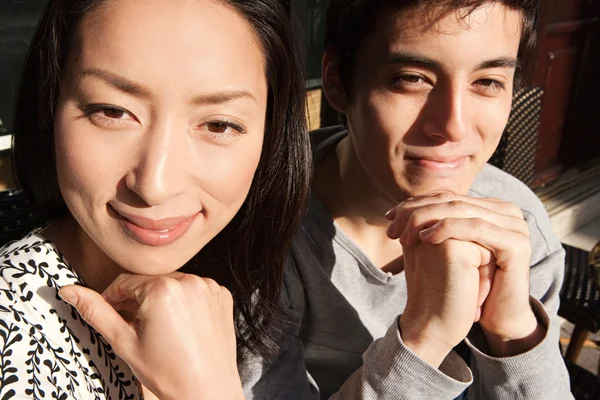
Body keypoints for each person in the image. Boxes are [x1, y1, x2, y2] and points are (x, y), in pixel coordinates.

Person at [242, 0, 574, 399]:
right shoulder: (262, 226)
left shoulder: (515, 226)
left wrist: (514, 336)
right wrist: (423, 341)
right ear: (336, 81)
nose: (453, 125)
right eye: (411, 78)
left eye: (487, 82)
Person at [0, 0, 310, 398]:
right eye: (112, 111)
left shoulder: (238, 281)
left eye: (218, 124)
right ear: (51, 105)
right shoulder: (14, 340)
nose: (155, 185)